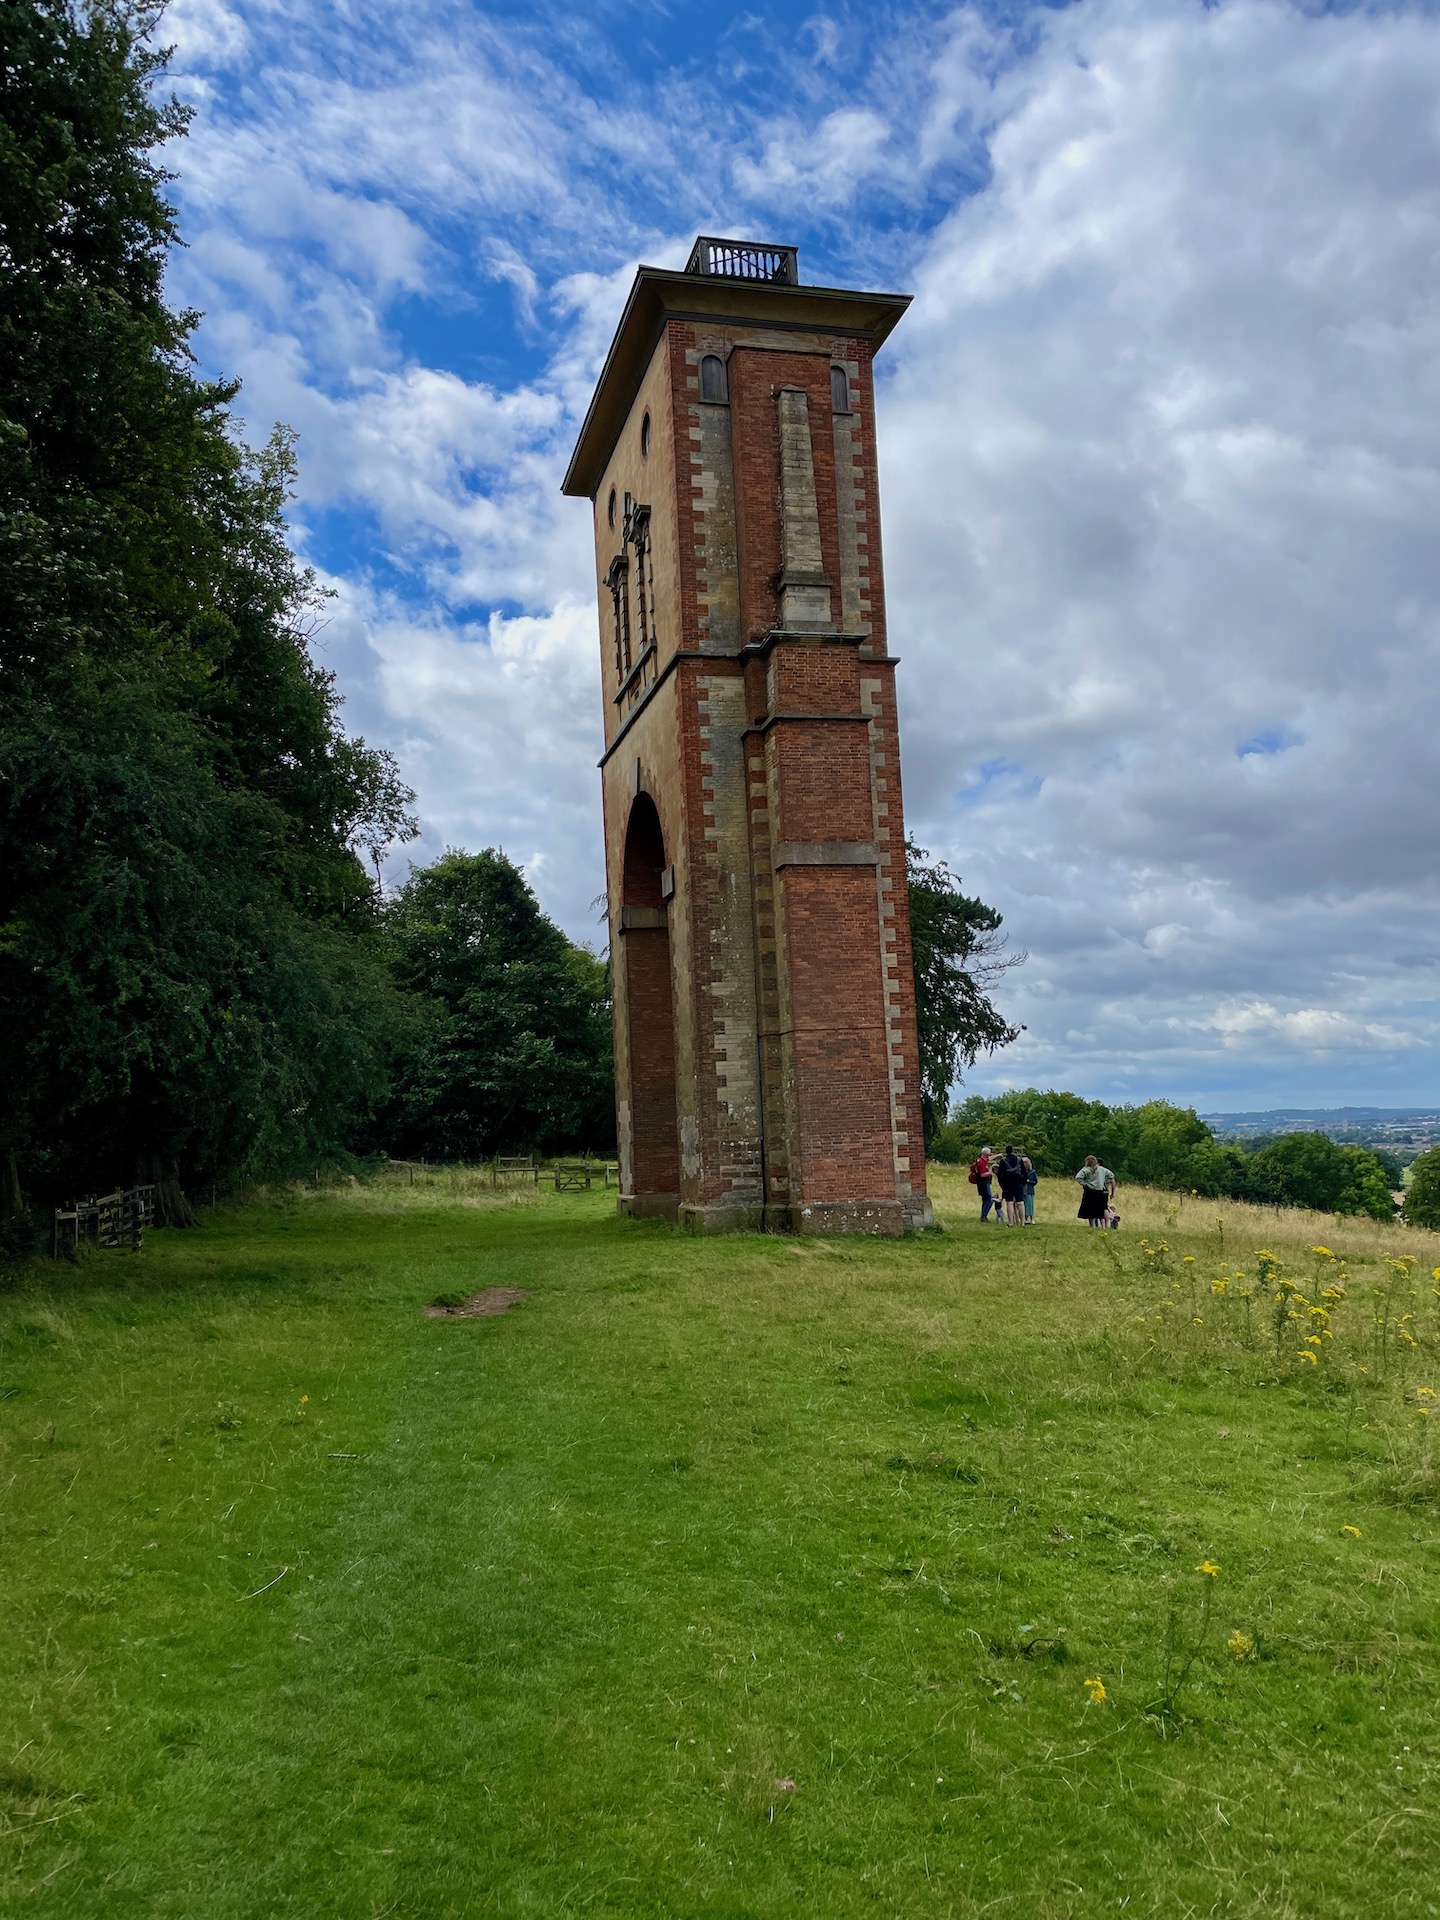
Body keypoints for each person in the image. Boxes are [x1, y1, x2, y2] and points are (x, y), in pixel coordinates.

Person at [1074, 1154, 1115, 1228]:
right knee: (1101, 1209)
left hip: (1089, 1191)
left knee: (1090, 1208)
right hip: (1100, 1192)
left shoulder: (1086, 1169)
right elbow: (1111, 1175)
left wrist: (1085, 1184)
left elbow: (1078, 1177)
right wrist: (1104, 1181)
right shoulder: (1102, 1169)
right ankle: (1103, 1226)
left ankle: (1092, 1225)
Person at [969, 1146, 1003, 1222]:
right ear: (987, 1154)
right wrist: (990, 1171)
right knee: (989, 1199)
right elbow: (982, 1175)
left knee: (985, 1199)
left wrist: (998, 1155)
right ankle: (984, 1216)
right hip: (983, 1182)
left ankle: (983, 1215)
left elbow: (990, 1158)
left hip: (983, 1182)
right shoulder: (981, 1163)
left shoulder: (982, 1160)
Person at [996, 1145, 1027, 1225]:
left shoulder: (1003, 1161)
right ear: (1013, 1151)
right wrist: (1023, 1183)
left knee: (1009, 1203)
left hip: (1008, 1183)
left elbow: (1000, 1175)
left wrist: (1002, 1185)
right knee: (1020, 1202)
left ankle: (1011, 1223)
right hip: (1018, 1182)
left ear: (1006, 1151)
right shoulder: (1019, 1160)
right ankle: (1022, 1222)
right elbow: (1024, 1173)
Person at [1022, 1155, 1037, 1224]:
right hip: (1023, 1190)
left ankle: (1031, 1218)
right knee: (1025, 1204)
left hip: (1030, 1190)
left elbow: (1035, 1182)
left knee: (1030, 1204)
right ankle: (1025, 1217)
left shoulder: (1032, 1172)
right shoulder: (1021, 1172)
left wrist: (1029, 1181)